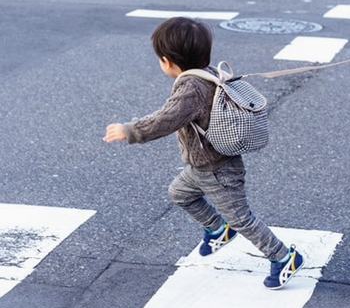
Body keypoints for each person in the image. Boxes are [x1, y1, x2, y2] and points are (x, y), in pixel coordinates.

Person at [103, 16, 304, 290]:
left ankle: (284, 257)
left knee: (242, 219)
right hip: (202, 166)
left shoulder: (190, 90)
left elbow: (166, 119)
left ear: (167, 61)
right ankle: (218, 228)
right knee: (179, 194)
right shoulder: (205, 73)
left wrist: (131, 130)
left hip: (217, 170)